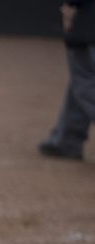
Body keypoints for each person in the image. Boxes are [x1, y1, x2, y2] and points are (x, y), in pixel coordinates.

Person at [39, 1, 95, 160]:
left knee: (85, 82)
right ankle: (67, 141)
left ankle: (67, 141)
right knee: (81, 82)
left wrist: (71, 5)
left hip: (89, 25)